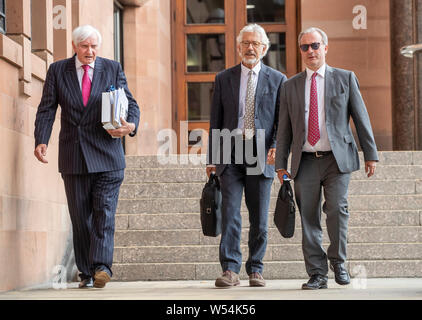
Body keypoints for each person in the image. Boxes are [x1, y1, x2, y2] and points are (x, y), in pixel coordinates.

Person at [34, 25, 140, 289]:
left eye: (94, 46)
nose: (90, 51)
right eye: (85, 46)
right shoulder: (58, 70)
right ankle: (86, 271)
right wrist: (41, 140)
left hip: (108, 154)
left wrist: (131, 126)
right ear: (74, 46)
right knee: (81, 217)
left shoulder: (112, 68)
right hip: (74, 155)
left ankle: (102, 267)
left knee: (103, 211)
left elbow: (131, 104)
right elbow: (47, 108)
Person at [275, 27, 378, 289]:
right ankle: (317, 273)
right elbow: (284, 129)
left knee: (337, 210)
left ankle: (338, 262)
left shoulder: (345, 78)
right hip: (305, 161)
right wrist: (280, 165)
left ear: (325, 47)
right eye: (305, 47)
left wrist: (370, 154)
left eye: (315, 46)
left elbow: (361, 117)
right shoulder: (290, 86)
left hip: (337, 159)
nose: (310, 51)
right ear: (301, 51)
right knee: (308, 217)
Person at [207, 24, 287, 288]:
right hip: (230, 151)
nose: (250, 48)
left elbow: (281, 120)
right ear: (238, 47)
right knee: (230, 213)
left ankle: (255, 268)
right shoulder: (224, 78)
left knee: (259, 217)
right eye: (246, 43)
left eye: (255, 43)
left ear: (264, 48)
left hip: (261, 152)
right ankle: (230, 270)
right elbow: (216, 120)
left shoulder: (277, 79)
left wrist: (277, 146)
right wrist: (212, 158)